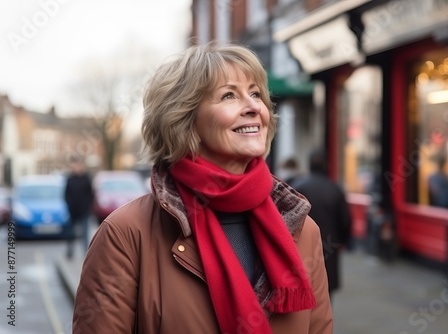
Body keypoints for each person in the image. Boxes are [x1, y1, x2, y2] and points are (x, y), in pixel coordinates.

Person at [73, 42, 333, 333]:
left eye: (256, 93)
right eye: (229, 95)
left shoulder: (303, 230)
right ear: (185, 120)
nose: (253, 107)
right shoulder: (126, 234)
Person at [292, 149, 352, 297]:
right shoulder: (334, 189)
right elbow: (345, 220)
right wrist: (342, 241)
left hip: (302, 248)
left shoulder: (297, 187)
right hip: (329, 247)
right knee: (325, 292)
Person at [64, 155, 94, 259]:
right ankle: (69, 253)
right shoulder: (70, 179)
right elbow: (66, 194)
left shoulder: (86, 178)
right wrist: (69, 206)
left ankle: (85, 254)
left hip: (84, 211)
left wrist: (87, 207)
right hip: (72, 211)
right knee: (70, 234)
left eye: (76, 166)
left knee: (85, 234)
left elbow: (91, 194)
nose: (74, 168)